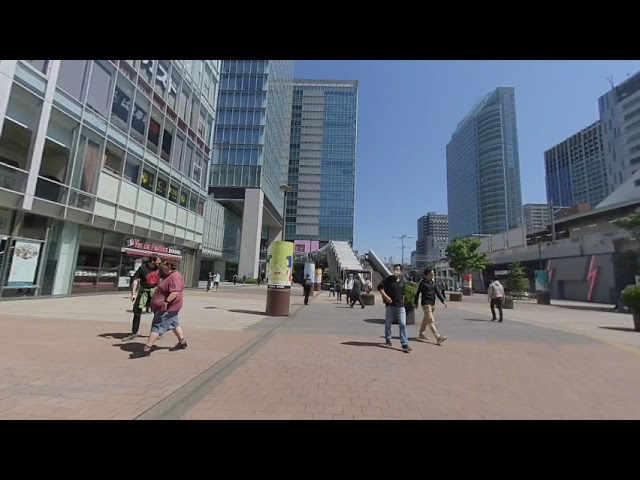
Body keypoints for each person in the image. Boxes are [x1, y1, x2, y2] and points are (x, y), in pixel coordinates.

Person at [130, 259, 187, 358]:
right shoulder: (169, 276)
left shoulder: (175, 277)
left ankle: (146, 349)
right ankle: (182, 343)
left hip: (168, 308)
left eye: (164, 264)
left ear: (169, 266)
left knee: (157, 326)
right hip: (169, 308)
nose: (161, 266)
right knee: (174, 324)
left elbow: (175, 292)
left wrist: (166, 302)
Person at [123, 256, 161, 342]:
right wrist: (133, 293)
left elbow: (165, 278)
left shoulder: (160, 268)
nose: (159, 262)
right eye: (158, 260)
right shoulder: (142, 268)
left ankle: (157, 332)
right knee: (137, 311)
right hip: (143, 292)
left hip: (154, 292)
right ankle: (134, 333)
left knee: (157, 313)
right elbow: (136, 280)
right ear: (152, 261)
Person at [377, 264, 411, 352]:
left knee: (403, 324)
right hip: (390, 306)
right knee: (388, 324)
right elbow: (380, 288)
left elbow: (403, 292)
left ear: (401, 271)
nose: (395, 271)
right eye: (395, 269)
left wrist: (403, 301)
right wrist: (386, 297)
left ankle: (404, 344)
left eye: (397, 269)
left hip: (400, 306)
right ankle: (388, 339)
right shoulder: (388, 279)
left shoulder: (403, 281)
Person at [414, 269, 447, 344]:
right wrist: (415, 303)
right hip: (426, 304)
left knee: (426, 319)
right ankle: (438, 337)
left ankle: (421, 333)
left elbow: (438, 293)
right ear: (427, 274)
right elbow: (417, 293)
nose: (433, 274)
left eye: (433, 273)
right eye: (431, 273)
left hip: (432, 304)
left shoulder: (433, 283)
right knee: (430, 320)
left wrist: (443, 301)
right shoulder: (422, 283)